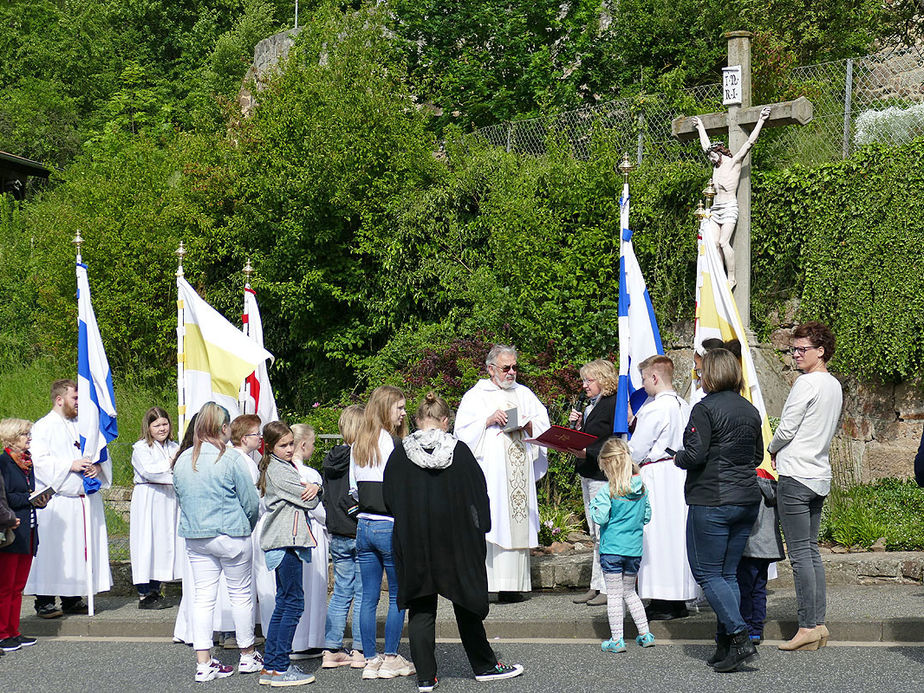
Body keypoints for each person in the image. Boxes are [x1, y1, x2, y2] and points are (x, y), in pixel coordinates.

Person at [383, 392, 524, 692]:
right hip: (455, 539)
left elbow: (390, 499)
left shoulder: (399, 455)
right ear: (446, 422)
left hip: (416, 538)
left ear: (417, 420)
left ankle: (425, 677)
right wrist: (481, 529)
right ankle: (484, 665)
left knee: (421, 606)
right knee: (466, 603)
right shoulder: (459, 452)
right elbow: (478, 494)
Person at [674, 349, 764, 673]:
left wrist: (677, 457)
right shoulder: (751, 410)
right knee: (728, 575)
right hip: (746, 500)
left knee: (707, 574)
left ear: (710, 374)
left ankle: (740, 638)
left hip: (712, 499)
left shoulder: (704, 408)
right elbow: (756, 456)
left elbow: (695, 455)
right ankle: (724, 645)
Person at [172, 402, 262, 683]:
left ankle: (204, 662)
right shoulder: (230, 458)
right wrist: (246, 526)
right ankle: (247, 655)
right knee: (241, 595)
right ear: (224, 428)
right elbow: (250, 501)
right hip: (231, 533)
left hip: (197, 536)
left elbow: (181, 497)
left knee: (203, 598)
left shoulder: (183, 459)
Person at [455, 345, 550, 603]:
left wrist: (528, 424)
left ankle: (512, 587)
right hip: (492, 477)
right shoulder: (476, 396)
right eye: (506, 368)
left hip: (519, 472)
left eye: (514, 367)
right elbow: (461, 433)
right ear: (491, 369)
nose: (511, 372)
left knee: (515, 523)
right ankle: (485, 585)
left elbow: (544, 425)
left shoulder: (525, 394)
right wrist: (487, 420)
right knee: (494, 522)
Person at [769, 321, 843, 652]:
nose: (796, 355)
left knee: (800, 555)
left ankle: (807, 626)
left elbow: (786, 429)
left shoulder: (806, 384)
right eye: (794, 349)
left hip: (796, 474)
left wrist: (770, 449)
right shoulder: (834, 385)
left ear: (820, 351)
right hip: (819, 474)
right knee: (811, 551)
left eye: (802, 349)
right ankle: (819, 624)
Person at [26, 379, 111, 618]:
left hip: (82, 499)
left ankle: (72, 598)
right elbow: (39, 462)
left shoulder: (82, 425)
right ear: (59, 399)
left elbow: (96, 453)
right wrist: (69, 465)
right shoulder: (44, 426)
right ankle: (44, 600)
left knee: (76, 552)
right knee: (54, 552)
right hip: (58, 501)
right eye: (75, 398)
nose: (79, 403)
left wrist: (97, 467)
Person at [351, 385, 415, 680]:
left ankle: (369, 659)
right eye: (399, 408)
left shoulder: (358, 443)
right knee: (397, 596)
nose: (403, 414)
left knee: (367, 597)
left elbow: (354, 490)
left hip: (363, 524)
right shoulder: (390, 442)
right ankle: (390, 657)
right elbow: (401, 485)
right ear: (385, 408)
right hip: (388, 524)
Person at [627, 355, 698, 621]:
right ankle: (677, 598)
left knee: (657, 536)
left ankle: (662, 600)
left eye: (644, 379)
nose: (643, 385)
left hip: (658, 474)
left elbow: (639, 448)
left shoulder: (655, 408)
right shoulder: (684, 405)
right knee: (676, 536)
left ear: (655, 377)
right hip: (680, 472)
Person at [257, 420, 322, 686]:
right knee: (292, 603)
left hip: (285, 540)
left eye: (291, 443)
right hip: (286, 541)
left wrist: (314, 489)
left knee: (285, 603)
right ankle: (280, 668)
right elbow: (309, 499)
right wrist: (317, 489)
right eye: (283, 445)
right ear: (270, 447)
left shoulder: (279, 467)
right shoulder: (280, 471)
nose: (289, 448)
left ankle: (272, 666)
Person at [691, 106, 771, 289]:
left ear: (720, 152)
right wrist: (700, 126)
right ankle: (718, 275)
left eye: (712, 156)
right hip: (715, 209)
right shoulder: (716, 166)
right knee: (712, 243)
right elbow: (705, 146)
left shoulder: (734, 163)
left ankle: (731, 277)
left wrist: (761, 120)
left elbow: (750, 142)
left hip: (729, 208)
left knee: (723, 242)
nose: (710, 159)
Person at [589, 437, 654, 654]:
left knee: (614, 595)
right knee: (630, 593)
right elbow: (647, 517)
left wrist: (593, 508)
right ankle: (645, 634)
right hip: (633, 550)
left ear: (607, 465)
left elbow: (601, 517)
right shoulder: (641, 489)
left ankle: (617, 639)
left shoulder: (607, 491)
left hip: (612, 550)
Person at [566, 359, 618, 606]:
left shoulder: (613, 404)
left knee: (604, 530)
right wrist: (576, 427)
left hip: (601, 473)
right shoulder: (592, 405)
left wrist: (589, 451)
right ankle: (596, 585)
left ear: (603, 379)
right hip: (588, 472)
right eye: (583, 380)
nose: (584, 385)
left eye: (589, 380)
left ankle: (608, 586)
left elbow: (614, 441)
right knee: (594, 532)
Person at [320, 405, 365, 669]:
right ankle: (360, 650)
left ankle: (332, 648)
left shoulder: (331, 458)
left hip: (336, 531)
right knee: (361, 593)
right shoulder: (359, 457)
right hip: (357, 528)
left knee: (340, 592)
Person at [129, 407, 181, 610]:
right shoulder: (141, 448)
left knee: (163, 542)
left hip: (168, 499)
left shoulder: (174, 446)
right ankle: (145, 592)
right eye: (157, 425)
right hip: (149, 497)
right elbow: (149, 471)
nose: (162, 429)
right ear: (148, 427)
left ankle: (157, 587)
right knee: (146, 542)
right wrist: (170, 465)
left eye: (165, 424)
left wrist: (171, 466)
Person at [0, 419, 42, 653]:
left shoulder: (27, 462)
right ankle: (2, 633)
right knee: (5, 586)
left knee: (18, 586)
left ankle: (13, 630)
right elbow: (5, 498)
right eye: (24, 434)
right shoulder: (3, 463)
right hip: (10, 529)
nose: (28, 438)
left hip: (29, 528)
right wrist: (29, 497)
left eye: (28, 434)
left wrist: (40, 499)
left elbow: (28, 493)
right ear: (11, 437)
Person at [290, 423, 328, 659]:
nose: (313, 448)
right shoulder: (310, 475)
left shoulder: (276, 470)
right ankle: (310, 640)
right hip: (310, 531)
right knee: (313, 586)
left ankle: (292, 639)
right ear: (303, 445)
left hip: (288, 533)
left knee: (291, 589)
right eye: (312, 444)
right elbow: (319, 511)